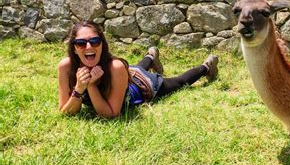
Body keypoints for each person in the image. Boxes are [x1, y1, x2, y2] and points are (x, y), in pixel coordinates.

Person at [58, 21, 219, 118]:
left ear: (102, 44)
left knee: (179, 82)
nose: (88, 47)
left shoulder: (115, 67)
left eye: (94, 41)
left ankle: (206, 67)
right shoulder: (66, 67)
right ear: (74, 48)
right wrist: (79, 88)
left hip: (142, 86)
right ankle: (150, 56)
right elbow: (66, 112)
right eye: (81, 43)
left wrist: (91, 86)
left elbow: (111, 114)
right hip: (127, 75)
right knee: (137, 68)